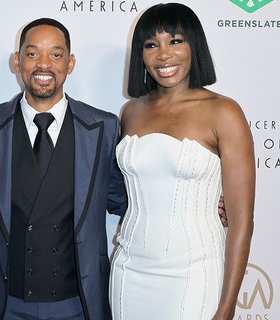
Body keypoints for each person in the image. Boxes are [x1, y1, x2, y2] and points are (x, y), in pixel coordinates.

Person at [0, 18, 127, 320]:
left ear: (71, 63)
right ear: (17, 61)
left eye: (56, 54)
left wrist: (202, 205)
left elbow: (126, 200)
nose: (44, 64)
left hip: (79, 304)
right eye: (32, 53)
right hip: (5, 304)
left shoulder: (103, 127)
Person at [109, 3, 255, 320]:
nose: (163, 55)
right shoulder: (131, 112)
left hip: (196, 272)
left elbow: (242, 221)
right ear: (140, 54)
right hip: (129, 271)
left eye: (175, 41)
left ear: (194, 45)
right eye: (151, 45)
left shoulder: (224, 112)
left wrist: (227, 307)